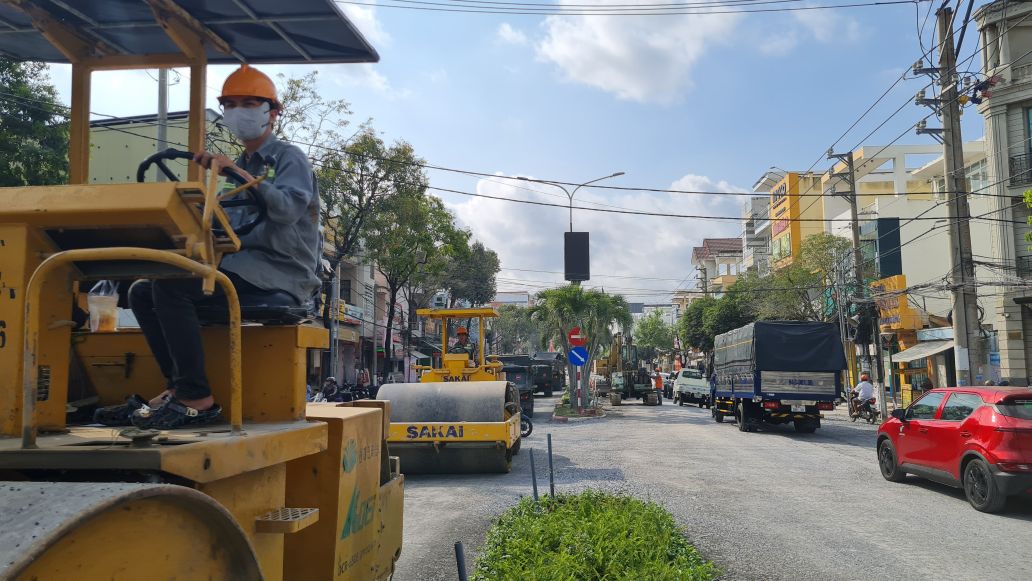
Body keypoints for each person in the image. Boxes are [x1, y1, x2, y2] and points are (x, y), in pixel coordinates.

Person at [93, 64, 319, 429]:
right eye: (231, 104)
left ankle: (198, 398)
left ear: (273, 112)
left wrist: (239, 175)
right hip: (241, 265)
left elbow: (289, 208)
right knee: (141, 290)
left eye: (249, 102)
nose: (239, 110)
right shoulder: (239, 165)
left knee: (171, 287)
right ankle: (178, 388)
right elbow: (227, 223)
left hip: (280, 273)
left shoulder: (287, 158)